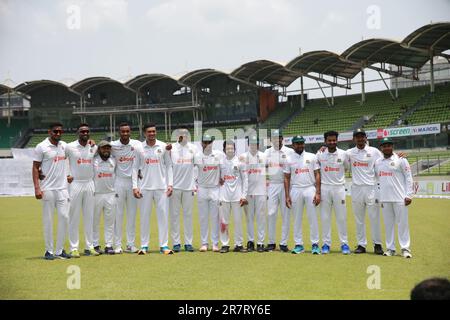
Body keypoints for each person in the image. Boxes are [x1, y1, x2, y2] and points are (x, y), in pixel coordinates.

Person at [132, 123, 173, 255]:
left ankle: (164, 246)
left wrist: (170, 184)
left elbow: (169, 166)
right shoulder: (139, 148)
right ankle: (144, 246)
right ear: (145, 133)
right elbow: (134, 168)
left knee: (163, 217)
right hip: (145, 188)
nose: (152, 134)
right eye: (149, 132)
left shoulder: (162, 146)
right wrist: (135, 187)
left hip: (161, 188)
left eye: (154, 131)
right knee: (144, 217)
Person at [32, 122, 71, 260]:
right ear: (50, 132)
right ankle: (48, 251)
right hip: (47, 189)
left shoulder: (64, 146)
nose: (58, 134)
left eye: (60, 131)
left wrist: (90, 143)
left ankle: (59, 251)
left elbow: (78, 151)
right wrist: (37, 187)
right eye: (55, 131)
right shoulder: (41, 146)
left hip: (62, 189)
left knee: (65, 218)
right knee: (48, 221)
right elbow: (36, 167)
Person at [346, 129, 384, 255]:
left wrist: (398, 156)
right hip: (356, 189)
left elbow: (385, 160)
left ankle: (377, 244)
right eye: (357, 137)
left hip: (371, 188)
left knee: (374, 218)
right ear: (354, 139)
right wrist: (322, 149)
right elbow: (336, 154)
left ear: (366, 138)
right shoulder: (349, 153)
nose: (360, 139)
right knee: (359, 219)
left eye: (362, 137)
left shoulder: (374, 151)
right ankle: (361, 245)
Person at [375, 137, 414, 258]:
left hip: (400, 198)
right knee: (388, 225)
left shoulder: (401, 159)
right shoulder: (378, 162)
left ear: (392, 147)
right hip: (385, 199)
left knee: (402, 224)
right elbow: (378, 180)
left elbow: (408, 177)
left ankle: (405, 248)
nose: (387, 147)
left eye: (389, 145)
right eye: (384, 146)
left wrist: (409, 195)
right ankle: (390, 249)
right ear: (381, 148)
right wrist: (380, 197)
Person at [284, 135, 321, 255]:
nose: (300, 145)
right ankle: (298, 244)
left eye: (301, 143)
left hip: (310, 188)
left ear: (304, 144)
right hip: (295, 189)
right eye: (297, 143)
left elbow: (317, 174)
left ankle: (315, 244)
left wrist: (318, 192)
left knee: (313, 218)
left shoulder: (312, 156)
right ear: (293, 145)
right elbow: (286, 178)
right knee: (297, 219)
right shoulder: (288, 159)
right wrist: (287, 196)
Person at [66, 123, 99, 257]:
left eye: (87, 131)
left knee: (89, 217)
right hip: (75, 184)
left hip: (89, 184)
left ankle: (89, 246)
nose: (85, 133)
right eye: (82, 132)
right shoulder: (69, 147)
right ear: (77, 133)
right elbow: (59, 160)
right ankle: (74, 248)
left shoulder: (94, 147)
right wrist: (66, 174)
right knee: (74, 216)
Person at [316, 131, 350, 255]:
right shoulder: (320, 154)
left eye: (334, 140)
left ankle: (344, 244)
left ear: (337, 140)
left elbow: (346, 168)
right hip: (325, 188)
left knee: (341, 218)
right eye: (329, 140)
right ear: (325, 141)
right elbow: (317, 171)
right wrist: (318, 191)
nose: (332, 142)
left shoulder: (343, 154)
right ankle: (326, 244)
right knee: (325, 218)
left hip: (339, 188)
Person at [111, 123, 142, 254]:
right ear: (119, 132)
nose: (125, 134)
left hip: (133, 184)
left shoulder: (137, 145)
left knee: (132, 215)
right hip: (118, 182)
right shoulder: (113, 145)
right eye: (122, 132)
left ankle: (130, 244)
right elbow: (98, 149)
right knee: (118, 215)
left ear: (130, 132)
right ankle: (117, 245)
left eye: (127, 131)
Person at [264, 129, 294, 252]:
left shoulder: (290, 151)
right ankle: (271, 243)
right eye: (274, 138)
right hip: (272, 185)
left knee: (286, 214)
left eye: (279, 137)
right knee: (271, 213)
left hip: (286, 185)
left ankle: (283, 243)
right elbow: (261, 165)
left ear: (282, 139)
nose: (277, 140)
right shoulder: (267, 152)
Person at [169, 127, 197, 252]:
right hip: (175, 187)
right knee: (174, 216)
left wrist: (195, 184)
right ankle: (176, 243)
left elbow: (197, 166)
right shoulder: (172, 148)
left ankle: (188, 243)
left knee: (188, 215)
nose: (183, 136)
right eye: (181, 134)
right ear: (177, 136)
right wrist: (169, 184)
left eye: (186, 134)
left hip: (188, 187)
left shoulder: (193, 148)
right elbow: (167, 166)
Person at [194, 134, 224, 252]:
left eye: (209, 142)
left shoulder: (219, 155)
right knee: (203, 217)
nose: (206, 144)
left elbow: (224, 168)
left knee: (215, 217)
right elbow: (189, 170)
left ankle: (215, 243)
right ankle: (204, 243)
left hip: (215, 189)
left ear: (212, 143)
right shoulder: (197, 156)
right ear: (201, 143)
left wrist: (222, 178)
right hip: (202, 189)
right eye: (204, 142)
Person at [219, 140, 248, 253]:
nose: (230, 150)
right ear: (224, 150)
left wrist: (244, 195)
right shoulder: (221, 162)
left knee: (238, 221)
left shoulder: (240, 162)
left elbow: (245, 179)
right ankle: (225, 244)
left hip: (237, 196)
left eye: (231, 148)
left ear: (235, 149)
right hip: (224, 196)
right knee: (224, 221)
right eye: (227, 148)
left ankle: (239, 244)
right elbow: (219, 179)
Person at [240, 135, 267, 253]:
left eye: (256, 143)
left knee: (261, 217)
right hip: (248, 192)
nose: (254, 146)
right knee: (249, 218)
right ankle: (250, 241)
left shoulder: (264, 156)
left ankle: (260, 242)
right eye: (251, 143)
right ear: (248, 144)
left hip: (261, 191)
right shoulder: (243, 157)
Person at [92, 140, 116, 255]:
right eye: (103, 148)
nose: (106, 150)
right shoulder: (94, 160)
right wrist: (94, 146)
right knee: (95, 221)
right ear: (99, 150)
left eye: (108, 148)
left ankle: (109, 245)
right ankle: (95, 244)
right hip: (97, 194)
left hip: (110, 194)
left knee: (110, 222)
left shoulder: (113, 160)